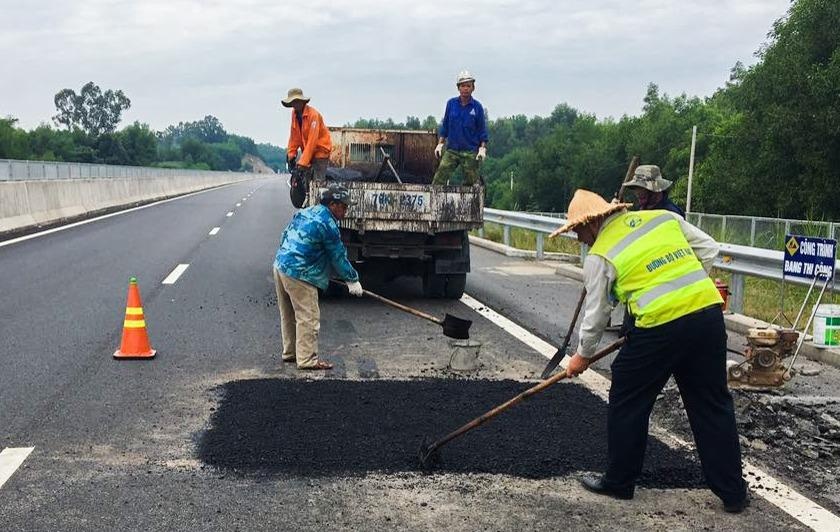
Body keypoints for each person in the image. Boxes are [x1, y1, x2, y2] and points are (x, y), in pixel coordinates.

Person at [549, 189, 748, 513]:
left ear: (592, 223)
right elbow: (709, 248)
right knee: (712, 405)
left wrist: (581, 357)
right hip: (707, 317)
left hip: (659, 328)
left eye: (578, 231)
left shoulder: (601, 255)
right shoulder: (662, 219)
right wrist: (685, 290)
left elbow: (597, 314)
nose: (579, 239)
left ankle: (619, 481)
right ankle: (734, 493)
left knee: (628, 396)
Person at [273, 183, 364, 370]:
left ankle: (291, 353)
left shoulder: (307, 212)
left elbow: (284, 236)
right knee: (308, 316)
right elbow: (338, 256)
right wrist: (352, 279)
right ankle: (307, 360)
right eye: (343, 206)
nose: (346, 211)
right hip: (300, 273)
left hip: (280, 265)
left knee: (288, 314)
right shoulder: (328, 223)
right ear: (332, 204)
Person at [431, 70, 488, 186]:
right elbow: (445, 126)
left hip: (470, 151)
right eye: (462, 86)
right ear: (458, 88)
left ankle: (469, 197)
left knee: (472, 183)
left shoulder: (477, 107)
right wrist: (440, 144)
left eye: (468, 86)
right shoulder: (451, 104)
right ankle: (435, 197)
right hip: (452, 150)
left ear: (473, 88)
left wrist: (482, 149)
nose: (465, 89)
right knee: (439, 179)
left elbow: (482, 130)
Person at [282, 87, 332, 181]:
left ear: (302, 101)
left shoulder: (313, 115)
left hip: (320, 152)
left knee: (317, 182)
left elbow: (312, 141)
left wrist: (302, 163)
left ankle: (318, 187)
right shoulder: (294, 114)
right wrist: (291, 155)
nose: (295, 104)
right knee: (304, 180)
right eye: (293, 102)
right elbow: (294, 137)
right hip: (307, 151)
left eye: (297, 101)